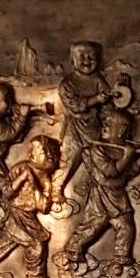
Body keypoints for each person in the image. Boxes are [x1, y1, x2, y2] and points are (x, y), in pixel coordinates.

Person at [64, 108, 140, 271]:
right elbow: (110, 171)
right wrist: (127, 156)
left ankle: (121, 258)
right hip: (100, 197)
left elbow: (133, 171)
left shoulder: (122, 149)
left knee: (126, 226)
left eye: (109, 124)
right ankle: (73, 248)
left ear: (121, 130)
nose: (104, 126)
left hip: (118, 197)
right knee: (93, 224)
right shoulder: (98, 149)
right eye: (104, 123)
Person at [0, 135, 61, 278]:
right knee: (35, 242)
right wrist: (22, 178)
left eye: (53, 152)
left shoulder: (46, 180)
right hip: (15, 210)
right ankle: (34, 274)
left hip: (27, 214)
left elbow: (43, 207)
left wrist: (35, 186)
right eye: (44, 151)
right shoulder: (21, 168)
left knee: (9, 239)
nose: (50, 155)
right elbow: (6, 191)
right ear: (32, 156)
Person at [54, 40, 114, 195]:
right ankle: (57, 188)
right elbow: (75, 105)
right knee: (69, 160)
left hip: (94, 127)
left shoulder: (98, 80)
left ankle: (96, 188)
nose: (87, 60)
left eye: (91, 57)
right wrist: (96, 99)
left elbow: (108, 100)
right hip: (74, 127)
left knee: (96, 159)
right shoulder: (67, 83)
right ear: (72, 61)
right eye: (82, 57)